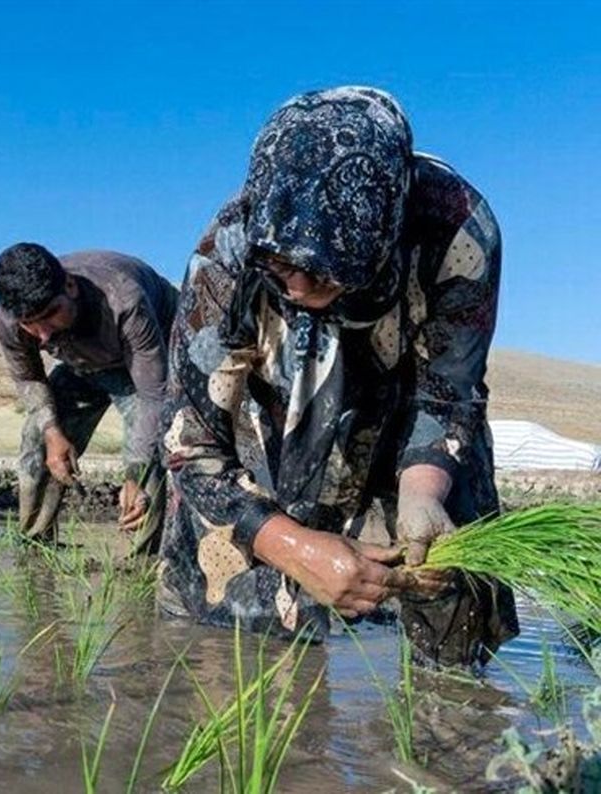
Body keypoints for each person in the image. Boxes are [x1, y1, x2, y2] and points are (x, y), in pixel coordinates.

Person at [158, 85, 518, 666]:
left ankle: (450, 726)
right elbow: (190, 441)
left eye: (323, 274)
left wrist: (423, 493)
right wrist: (293, 546)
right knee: (237, 644)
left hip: (408, 404)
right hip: (278, 409)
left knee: (451, 587)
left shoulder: (458, 232)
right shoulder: (226, 256)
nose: (298, 289)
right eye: (281, 268)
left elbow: (449, 392)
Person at [0, 244, 178, 554]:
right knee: (36, 441)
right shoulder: (8, 319)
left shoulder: (123, 300)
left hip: (148, 361)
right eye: (30, 324)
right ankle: (36, 546)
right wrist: (53, 433)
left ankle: (144, 560)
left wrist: (136, 473)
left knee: (149, 455)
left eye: (50, 315)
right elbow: (29, 379)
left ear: (70, 286)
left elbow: (152, 395)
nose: (43, 335)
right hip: (82, 363)